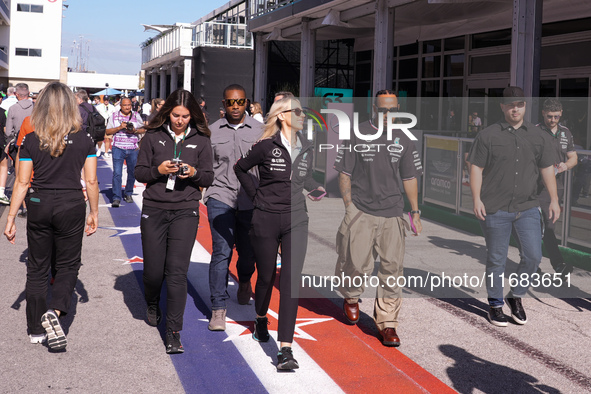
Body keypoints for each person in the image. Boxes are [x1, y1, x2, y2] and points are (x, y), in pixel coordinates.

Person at [3, 81, 99, 349]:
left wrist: (10, 218)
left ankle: (35, 329)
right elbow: (90, 182)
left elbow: (22, 182)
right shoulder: (85, 139)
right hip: (71, 204)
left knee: (37, 267)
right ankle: (55, 311)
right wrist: (94, 212)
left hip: (39, 202)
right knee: (68, 265)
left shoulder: (32, 139)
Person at [234, 97, 324, 370]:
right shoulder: (264, 147)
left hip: (297, 218)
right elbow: (240, 168)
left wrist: (314, 187)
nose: (302, 115)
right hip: (266, 217)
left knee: (290, 281)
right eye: (297, 111)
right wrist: (256, 195)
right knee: (265, 276)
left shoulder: (307, 146)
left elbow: (302, 176)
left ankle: (285, 348)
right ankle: (260, 317)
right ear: (283, 116)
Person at [333, 89, 423, 347]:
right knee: (356, 264)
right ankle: (351, 297)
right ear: (374, 108)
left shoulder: (405, 139)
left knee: (392, 269)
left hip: (393, 213)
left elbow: (409, 178)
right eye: (383, 109)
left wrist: (414, 211)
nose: (387, 115)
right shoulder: (356, 133)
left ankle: (388, 324)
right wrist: (349, 207)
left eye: (392, 110)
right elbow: (344, 172)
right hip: (361, 209)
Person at [467, 86, 559, 327]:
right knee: (496, 258)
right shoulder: (488, 135)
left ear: (525, 106)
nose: (515, 108)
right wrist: (476, 198)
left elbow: (547, 168)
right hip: (495, 206)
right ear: (502, 107)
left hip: (528, 206)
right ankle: (495, 305)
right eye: (510, 104)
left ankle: (515, 296)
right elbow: (475, 167)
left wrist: (555, 199)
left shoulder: (539, 137)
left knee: (533, 256)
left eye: (519, 104)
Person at [135, 89, 213, 354]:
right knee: (154, 272)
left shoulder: (201, 140)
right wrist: (158, 170)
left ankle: (173, 332)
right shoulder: (152, 136)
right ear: (167, 113)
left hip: (185, 210)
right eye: (176, 115)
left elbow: (208, 178)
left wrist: (193, 172)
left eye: (185, 116)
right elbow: (139, 172)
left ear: (193, 116)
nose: (180, 120)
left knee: (177, 273)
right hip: (155, 208)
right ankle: (153, 300)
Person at [203, 84, 262, 331]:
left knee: (248, 255)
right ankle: (218, 308)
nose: (235, 107)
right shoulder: (211, 132)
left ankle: (245, 280)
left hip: (250, 200)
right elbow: (206, 166)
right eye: (230, 103)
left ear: (246, 102)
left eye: (239, 102)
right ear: (224, 104)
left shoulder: (261, 130)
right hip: (221, 197)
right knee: (221, 252)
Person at [535, 98, 577, 277]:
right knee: (533, 226)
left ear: (561, 115)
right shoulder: (535, 131)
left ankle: (556, 264)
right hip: (535, 186)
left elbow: (573, 157)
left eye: (556, 117)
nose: (552, 120)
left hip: (556, 187)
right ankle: (534, 263)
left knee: (549, 227)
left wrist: (565, 166)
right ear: (543, 113)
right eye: (550, 116)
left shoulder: (566, 133)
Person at [105, 97, 145, 207]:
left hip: (133, 148)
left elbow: (143, 129)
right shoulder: (114, 116)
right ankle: (116, 197)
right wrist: (119, 127)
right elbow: (108, 131)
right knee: (117, 173)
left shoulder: (136, 115)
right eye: (125, 105)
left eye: (129, 105)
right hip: (118, 147)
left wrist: (134, 130)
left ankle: (128, 193)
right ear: (121, 106)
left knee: (132, 172)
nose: (127, 107)